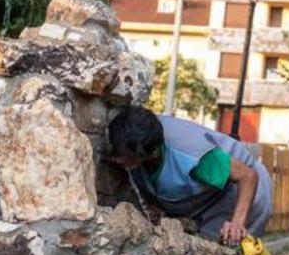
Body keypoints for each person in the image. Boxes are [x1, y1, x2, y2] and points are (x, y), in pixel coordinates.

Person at [107, 105, 273, 245]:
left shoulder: (196, 158)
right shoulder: (134, 131)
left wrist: (237, 223)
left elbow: (247, 175)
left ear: (152, 153)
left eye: (126, 156)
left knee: (221, 251)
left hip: (238, 195)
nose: (118, 159)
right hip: (202, 198)